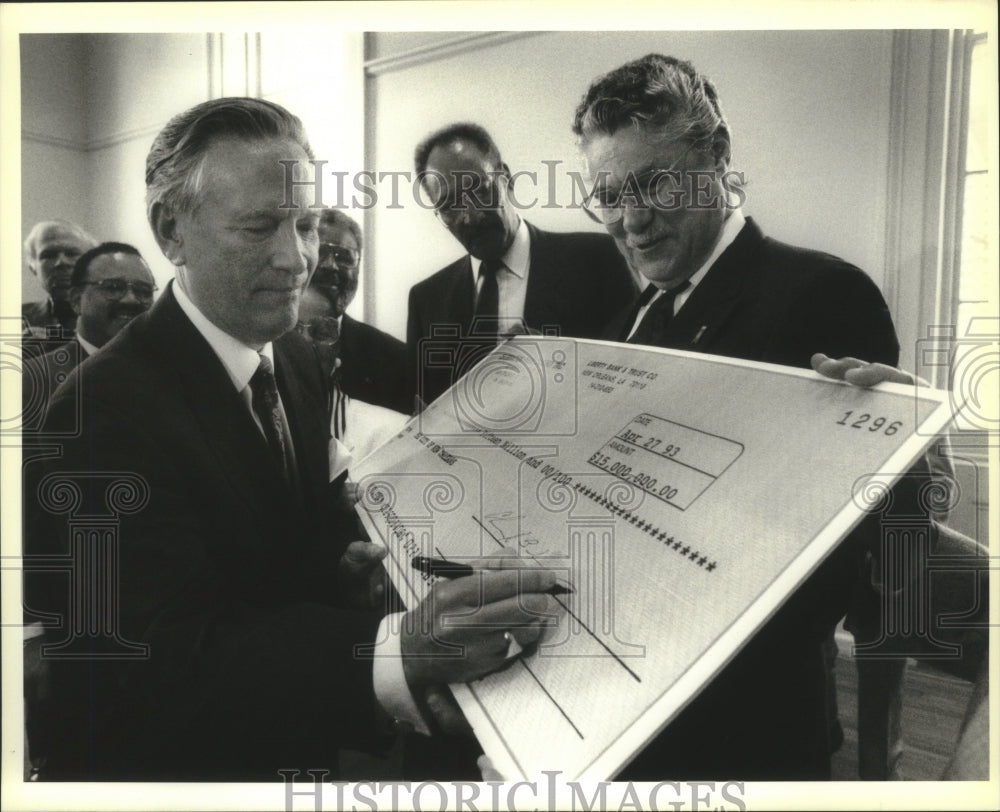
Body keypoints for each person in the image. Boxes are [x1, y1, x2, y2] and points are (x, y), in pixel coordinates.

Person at [24, 97, 562, 781]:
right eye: (259, 228)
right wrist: (398, 649)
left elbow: (268, 552)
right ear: (171, 230)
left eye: (306, 224)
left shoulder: (298, 361)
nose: (297, 259)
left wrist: (344, 577)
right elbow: (158, 658)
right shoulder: (98, 413)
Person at [571, 53, 915, 780]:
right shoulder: (631, 316)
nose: (630, 221)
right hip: (616, 710)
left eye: (654, 183)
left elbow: (838, 572)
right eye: (608, 195)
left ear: (717, 157)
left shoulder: (822, 294)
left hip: (743, 735)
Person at [406, 122, 637, 407]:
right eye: (449, 206)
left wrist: (564, 369)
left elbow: (635, 382)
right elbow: (424, 413)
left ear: (506, 178)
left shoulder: (597, 260)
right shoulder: (425, 300)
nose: (471, 215)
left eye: (479, 190)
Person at [296, 209, 409, 460]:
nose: (330, 265)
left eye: (344, 257)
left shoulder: (396, 359)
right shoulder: (264, 342)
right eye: (322, 251)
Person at [22, 242, 157, 413]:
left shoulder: (169, 374)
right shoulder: (30, 380)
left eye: (143, 291)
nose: (131, 299)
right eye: (113, 287)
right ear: (76, 300)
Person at [21, 220, 97, 336]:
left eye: (72, 253)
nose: (61, 262)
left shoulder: (119, 316)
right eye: (49, 255)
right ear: (33, 268)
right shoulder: (16, 318)